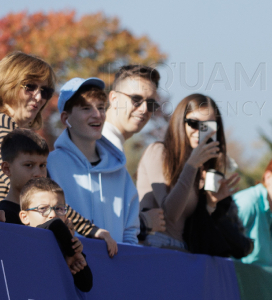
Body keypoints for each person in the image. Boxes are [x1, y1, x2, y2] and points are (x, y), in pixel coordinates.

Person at [136, 94, 239, 251]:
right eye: (193, 123)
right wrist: (191, 166)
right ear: (180, 122)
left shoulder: (202, 167)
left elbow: (195, 228)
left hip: (185, 252)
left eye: (208, 126)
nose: (199, 131)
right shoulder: (159, 152)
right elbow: (170, 214)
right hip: (154, 247)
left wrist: (211, 203)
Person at [48, 77, 140, 247]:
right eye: (86, 108)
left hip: (116, 268)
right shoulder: (51, 165)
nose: (97, 114)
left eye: (100, 107)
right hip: (71, 266)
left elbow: (130, 231)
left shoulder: (119, 171)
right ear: (65, 118)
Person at [103, 64, 165, 242]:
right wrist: (144, 222)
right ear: (114, 98)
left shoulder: (112, 146)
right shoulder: (97, 145)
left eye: (151, 103)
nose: (145, 109)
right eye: (136, 99)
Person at [18, 178, 91, 292]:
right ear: (24, 217)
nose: (52, 214)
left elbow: (86, 285)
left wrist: (75, 256)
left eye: (59, 209)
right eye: (42, 208)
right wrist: (70, 247)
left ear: (65, 216)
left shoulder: (66, 246)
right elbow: (56, 224)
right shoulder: (20, 241)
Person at [0, 52, 56, 200]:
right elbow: (35, 197)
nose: (38, 97)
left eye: (45, 91)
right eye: (30, 87)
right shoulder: (4, 134)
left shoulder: (18, 136)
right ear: (8, 85)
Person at [0, 129, 49, 224]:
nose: (38, 173)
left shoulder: (50, 215)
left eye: (42, 165)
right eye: (29, 165)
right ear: (7, 169)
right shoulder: (3, 217)